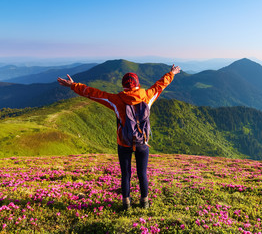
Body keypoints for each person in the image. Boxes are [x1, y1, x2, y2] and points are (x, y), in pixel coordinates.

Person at [57, 64, 181, 210]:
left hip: (124, 143)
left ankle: (126, 204)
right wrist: (172, 73)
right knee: (142, 173)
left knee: (126, 174)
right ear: (138, 84)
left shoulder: (116, 99)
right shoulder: (147, 97)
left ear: (123, 86)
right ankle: (145, 202)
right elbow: (160, 85)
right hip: (142, 142)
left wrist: (73, 85)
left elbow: (93, 93)